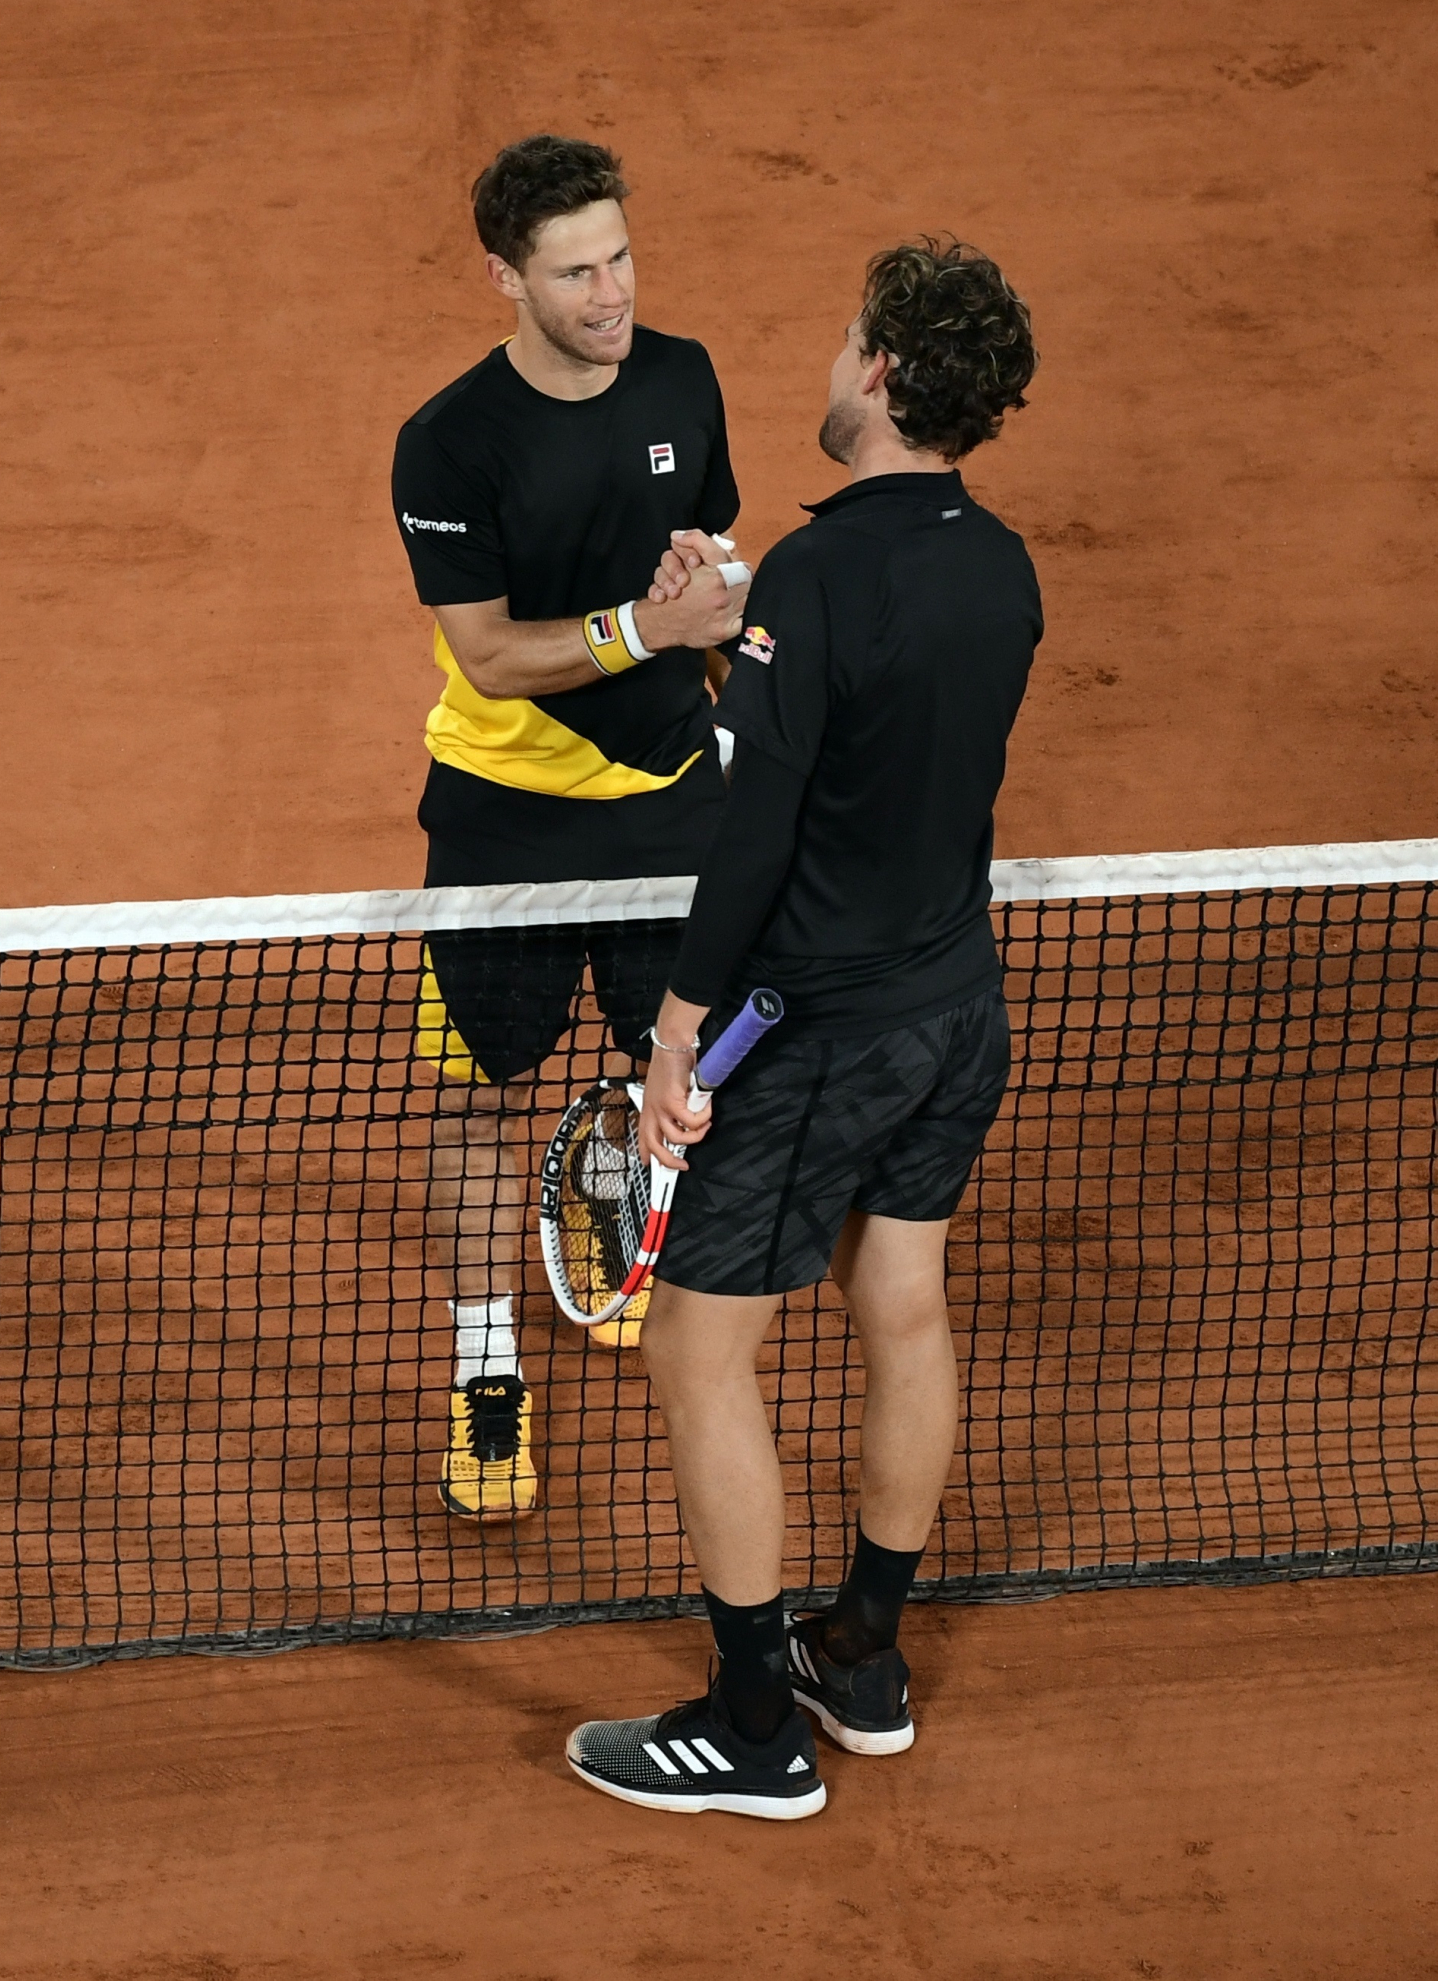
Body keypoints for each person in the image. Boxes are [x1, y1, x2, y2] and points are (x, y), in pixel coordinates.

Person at [565, 237, 1042, 1817]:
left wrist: (674, 1038)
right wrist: (746, 637)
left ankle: (755, 1725)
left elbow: (759, 830)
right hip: (955, 1015)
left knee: (697, 1350)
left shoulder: (825, 574)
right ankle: (865, 1657)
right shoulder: (1003, 567)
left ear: (884, 373)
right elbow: (875, 738)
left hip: (817, 1034)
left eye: (850, 343)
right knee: (901, 1304)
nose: (833, 363)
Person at [391, 135, 746, 1522]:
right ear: (506, 279)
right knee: (480, 1098)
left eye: (622, 258)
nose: (613, 294)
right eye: (577, 273)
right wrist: (645, 628)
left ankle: (599, 1194)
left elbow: (708, 554)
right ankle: (487, 1369)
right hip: (506, 824)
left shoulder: (682, 376)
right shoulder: (450, 442)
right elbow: (488, 656)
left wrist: (711, 600)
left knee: (663, 1059)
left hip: (671, 803)